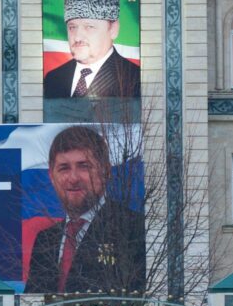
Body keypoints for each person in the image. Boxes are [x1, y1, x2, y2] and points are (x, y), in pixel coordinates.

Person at [25, 125, 144, 294]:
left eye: (84, 166)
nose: (73, 178)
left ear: (106, 171)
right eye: (64, 168)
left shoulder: (133, 229)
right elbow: (33, 299)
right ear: (52, 176)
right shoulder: (45, 239)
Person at [42, 0, 140, 99]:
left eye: (89, 27)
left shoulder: (135, 78)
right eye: (72, 27)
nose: (77, 37)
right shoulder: (53, 78)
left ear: (113, 29)